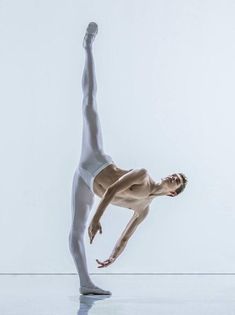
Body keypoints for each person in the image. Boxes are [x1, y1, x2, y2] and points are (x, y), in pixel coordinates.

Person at [69, 22, 188, 296]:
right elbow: (112, 190)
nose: (172, 177)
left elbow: (126, 235)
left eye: (176, 181)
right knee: (89, 103)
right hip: (95, 160)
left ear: (173, 193)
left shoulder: (144, 209)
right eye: (174, 174)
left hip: (84, 181)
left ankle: (86, 283)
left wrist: (114, 255)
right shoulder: (144, 174)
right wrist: (97, 218)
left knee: (75, 232)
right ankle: (88, 45)